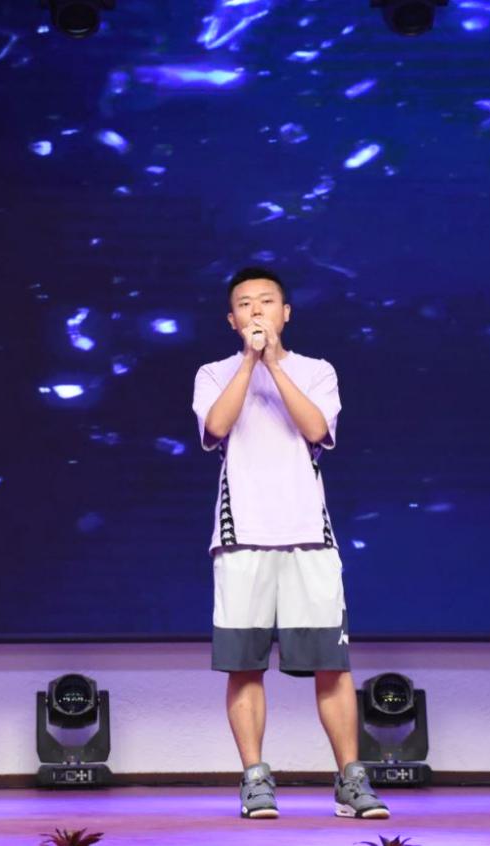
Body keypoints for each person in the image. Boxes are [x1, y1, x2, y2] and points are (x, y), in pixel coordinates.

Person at [191, 267, 388, 821]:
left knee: (331, 665)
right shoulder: (213, 373)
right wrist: (250, 362)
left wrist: (274, 363)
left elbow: (315, 429)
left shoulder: (316, 370)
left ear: (285, 313)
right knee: (244, 666)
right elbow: (218, 427)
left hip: (309, 539)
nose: (256, 311)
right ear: (231, 320)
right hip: (240, 541)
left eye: (266, 301)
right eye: (244, 304)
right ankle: (256, 780)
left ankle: (350, 780)